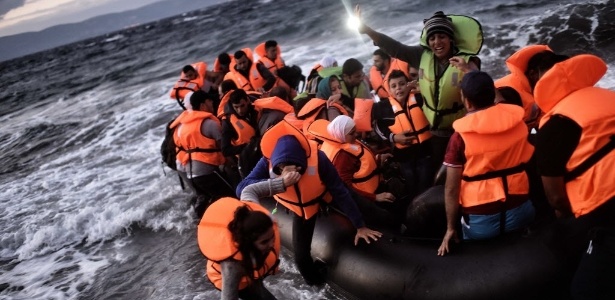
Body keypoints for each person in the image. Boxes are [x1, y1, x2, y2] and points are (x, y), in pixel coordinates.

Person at [236, 120, 382, 285]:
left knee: (369, 210)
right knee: (301, 258)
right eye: (283, 167)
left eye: (295, 168)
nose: (291, 172)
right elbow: (242, 188)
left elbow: (340, 191)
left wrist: (360, 226)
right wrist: (279, 181)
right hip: (302, 210)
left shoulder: (318, 158)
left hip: (325, 194)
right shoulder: (266, 161)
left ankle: (396, 223)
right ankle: (317, 282)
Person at [355, 6, 482, 169]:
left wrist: (468, 71)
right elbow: (396, 48)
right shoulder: (422, 56)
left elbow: (482, 89)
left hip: (462, 130)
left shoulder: (467, 61)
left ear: (450, 38)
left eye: (442, 36)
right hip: (436, 133)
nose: (437, 42)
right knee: (440, 175)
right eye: (432, 38)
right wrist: (367, 30)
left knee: (466, 171)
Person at [533, 54, 615, 299]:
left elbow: (556, 199)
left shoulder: (553, 126)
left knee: (583, 290)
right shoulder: (608, 96)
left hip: (606, 210)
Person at [437, 71, 535, 256]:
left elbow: (451, 189)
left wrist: (450, 228)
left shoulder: (459, 138)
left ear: (466, 101)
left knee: (477, 252)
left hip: (481, 221)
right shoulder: (518, 123)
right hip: (522, 210)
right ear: (493, 93)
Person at [198, 175, 296, 300]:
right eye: (264, 241)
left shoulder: (252, 213)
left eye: (272, 237)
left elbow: (249, 190)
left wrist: (282, 182)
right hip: (237, 284)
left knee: (259, 287)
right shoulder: (233, 266)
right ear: (248, 242)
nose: (272, 244)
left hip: (253, 268)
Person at [307, 116, 400, 230]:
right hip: (365, 198)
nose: (356, 135)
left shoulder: (343, 141)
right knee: (389, 218)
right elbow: (346, 189)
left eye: (355, 130)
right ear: (341, 134)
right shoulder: (343, 157)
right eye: (352, 133)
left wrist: (378, 158)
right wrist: (375, 197)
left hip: (374, 188)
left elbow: (359, 162)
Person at [170, 90, 235, 217]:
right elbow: (225, 149)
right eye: (209, 101)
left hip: (189, 174)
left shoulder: (182, 125)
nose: (212, 103)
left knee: (209, 199)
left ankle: (201, 219)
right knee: (231, 197)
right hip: (206, 173)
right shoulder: (210, 124)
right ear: (202, 105)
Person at [372, 70, 434, 200]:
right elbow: (378, 127)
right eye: (394, 86)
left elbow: (435, 104)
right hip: (404, 158)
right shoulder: (383, 108)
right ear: (389, 90)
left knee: (426, 185)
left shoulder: (419, 98)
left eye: (402, 84)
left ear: (408, 85)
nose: (398, 88)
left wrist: (422, 89)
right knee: (411, 187)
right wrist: (393, 137)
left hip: (425, 153)